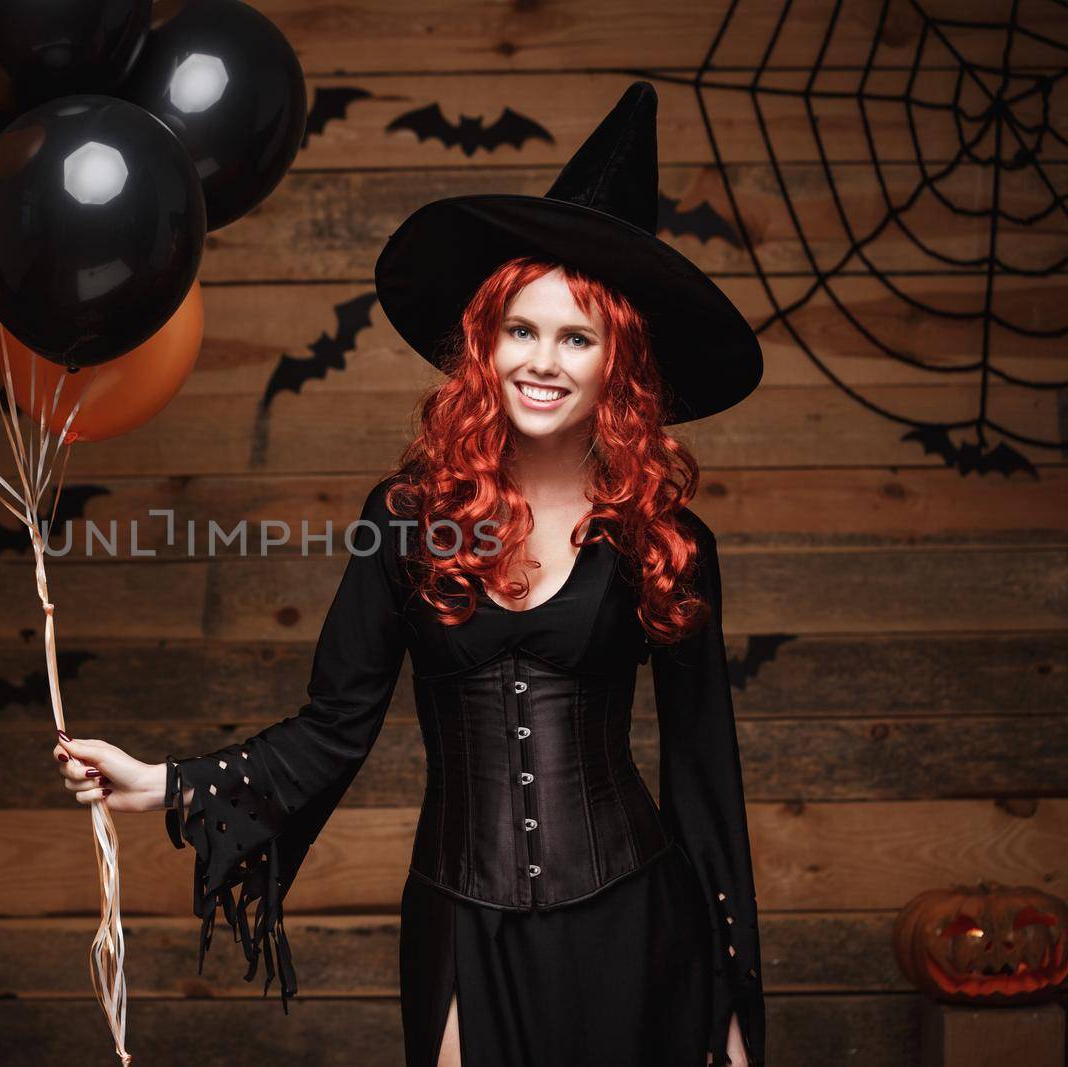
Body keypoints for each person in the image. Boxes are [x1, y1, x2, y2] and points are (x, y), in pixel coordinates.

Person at [49, 80, 766, 1067]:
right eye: (521, 329)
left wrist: (727, 1006)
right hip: (461, 919)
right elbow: (332, 726)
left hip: (636, 922)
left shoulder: (666, 539)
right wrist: (168, 781)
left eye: (576, 336)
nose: (542, 360)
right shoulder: (404, 522)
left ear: (618, 365)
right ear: (485, 345)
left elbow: (701, 777)